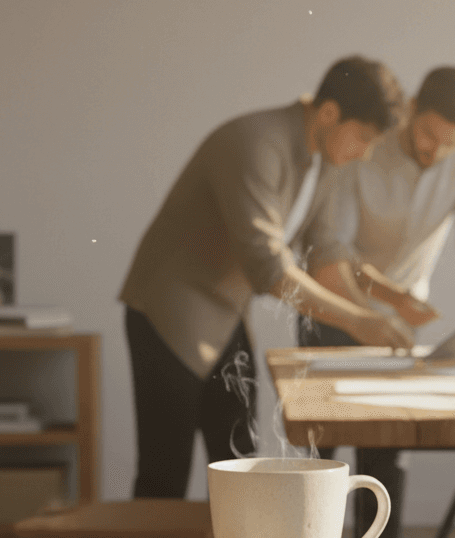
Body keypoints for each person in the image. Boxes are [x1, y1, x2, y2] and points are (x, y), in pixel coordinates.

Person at [119, 56, 414, 499]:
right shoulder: (255, 144)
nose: (366, 152)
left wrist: (370, 318)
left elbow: (326, 252)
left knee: (241, 465)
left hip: (224, 316)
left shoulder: (326, 159)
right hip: (168, 313)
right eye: (365, 138)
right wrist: (358, 321)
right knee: (165, 474)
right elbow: (270, 270)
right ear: (331, 114)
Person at [297, 66, 455, 538]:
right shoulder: (367, 139)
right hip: (333, 302)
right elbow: (332, 249)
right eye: (428, 136)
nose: (437, 152)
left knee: (386, 452)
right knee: (320, 456)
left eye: (450, 144)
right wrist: (380, 307)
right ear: (412, 109)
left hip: (394, 320)